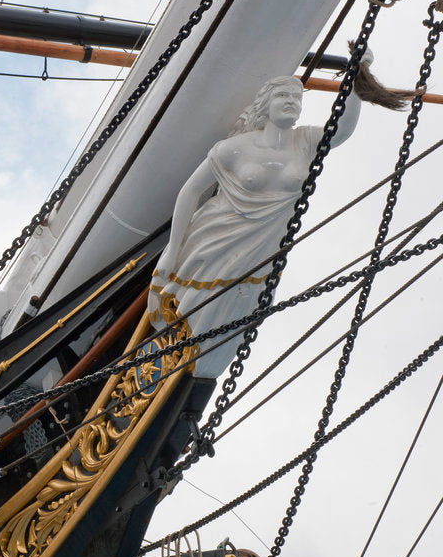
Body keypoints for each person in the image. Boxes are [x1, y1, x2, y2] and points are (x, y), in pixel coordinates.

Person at [148, 62, 372, 379]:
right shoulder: (233, 149)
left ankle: (195, 372)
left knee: (233, 316)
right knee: (196, 308)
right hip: (214, 243)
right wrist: (173, 248)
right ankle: (176, 366)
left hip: (262, 252)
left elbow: (342, 130)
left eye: (296, 98)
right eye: (282, 95)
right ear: (266, 103)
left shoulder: (306, 142)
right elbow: (191, 191)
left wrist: (359, 76)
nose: (291, 102)